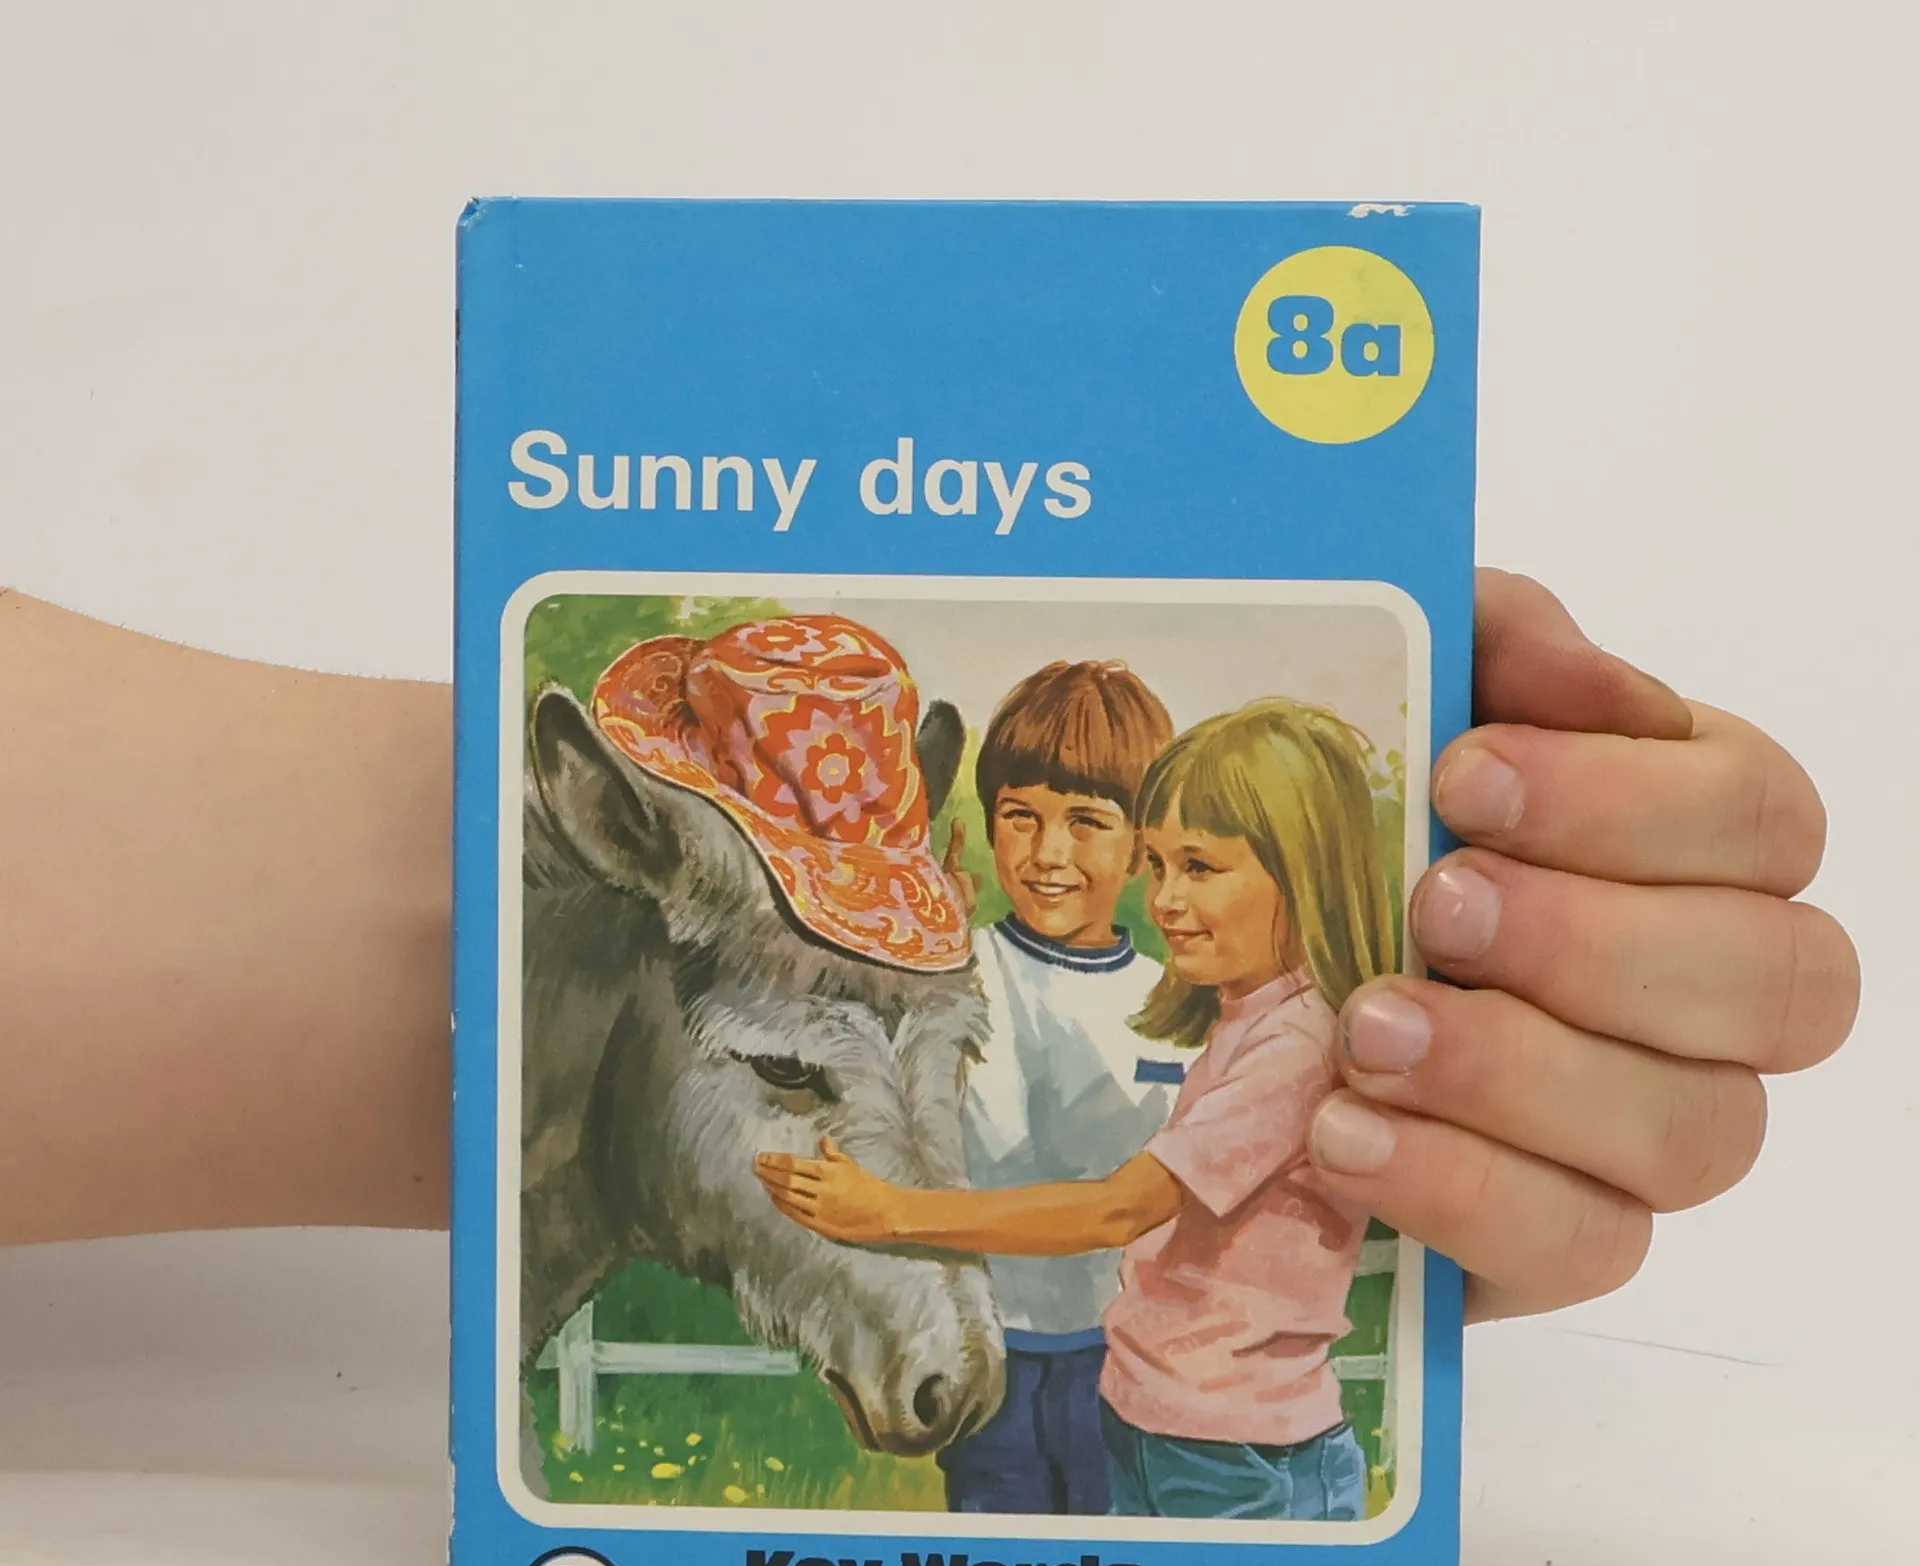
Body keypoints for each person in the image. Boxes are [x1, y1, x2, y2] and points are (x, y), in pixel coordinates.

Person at [0, 576, 1862, 1344]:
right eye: (1024, 820)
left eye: (1144, 843)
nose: (1062, 863)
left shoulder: (1198, 1012)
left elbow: (1108, 1183)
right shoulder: (1032, 982)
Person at [758, 697, 1395, 1518]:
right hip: (1143, 1406)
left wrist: (888, 1214)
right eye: (1160, 866)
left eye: (1198, 868)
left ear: (1301, 871)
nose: (1165, 900)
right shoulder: (1238, 1018)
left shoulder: (1291, 1046)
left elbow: (1118, 1210)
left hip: (1230, 1444)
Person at [935, 659, 1187, 1515]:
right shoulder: (956, 975)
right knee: (998, 1554)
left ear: (1143, 844)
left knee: (1121, 1550)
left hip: (1131, 1357)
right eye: (1021, 817)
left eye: (1086, 822)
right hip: (987, 1349)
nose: (1048, 854)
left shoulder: (1178, 1004)